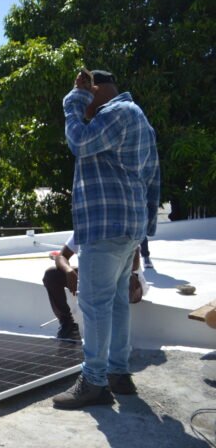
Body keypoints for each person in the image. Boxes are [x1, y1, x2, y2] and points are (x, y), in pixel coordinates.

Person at [53, 69, 160, 409]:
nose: (85, 110)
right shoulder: (139, 118)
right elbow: (152, 177)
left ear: (94, 88)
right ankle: (118, 373)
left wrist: (73, 101)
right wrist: (145, 226)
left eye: (87, 96)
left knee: (95, 304)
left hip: (107, 225)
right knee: (115, 303)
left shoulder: (117, 112)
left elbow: (79, 142)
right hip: (126, 227)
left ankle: (95, 382)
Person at [43, 233, 143, 340]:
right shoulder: (84, 230)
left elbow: (134, 264)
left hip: (126, 279)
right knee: (52, 275)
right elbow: (61, 256)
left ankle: (114, 334)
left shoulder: (120, 229)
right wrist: (68, 270)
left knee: (124, 279)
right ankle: (68, 326)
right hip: (94, 275)